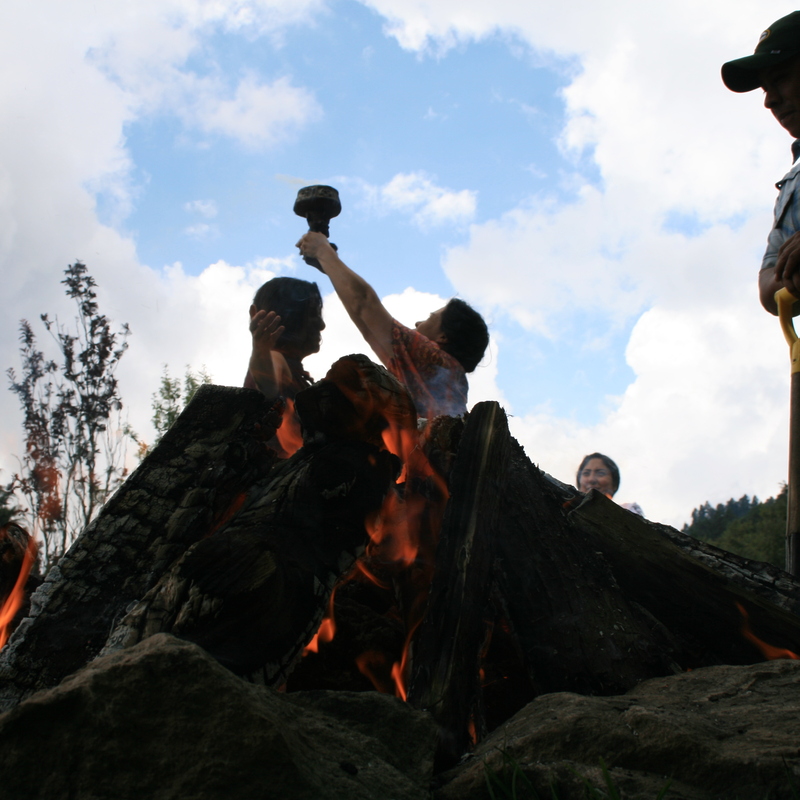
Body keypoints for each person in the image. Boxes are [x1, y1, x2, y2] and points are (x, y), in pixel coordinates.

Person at [296, 231, 489, 419]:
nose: (418, 323)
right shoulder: (440, 376)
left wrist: (322, 251)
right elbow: (365, 324)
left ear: (443, 338)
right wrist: (330, 266)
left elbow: (364, 303)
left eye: (430, 317)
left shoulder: (434, 359)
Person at [722, 11, 800, 314]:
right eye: (766, 89)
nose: (769, 101)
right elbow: (769, 287)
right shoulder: (792, 188)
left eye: (780, 79)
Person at [244, 277, 325, 400]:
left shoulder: (294, 370)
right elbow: (268, 387)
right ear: (289, 318)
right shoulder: (275, 358)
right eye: (313, 314)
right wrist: (260, 351)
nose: (322, 325)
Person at [576, 452, 644, 516]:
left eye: (601, 473)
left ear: (614, 483)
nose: (591, 479)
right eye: (586, 473)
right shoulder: (568, 514)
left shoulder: (629, 512)